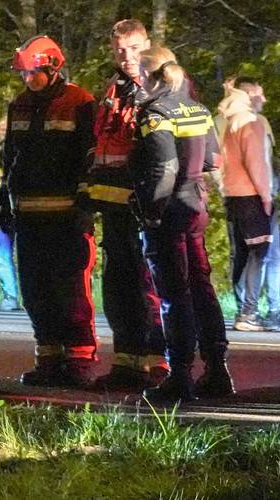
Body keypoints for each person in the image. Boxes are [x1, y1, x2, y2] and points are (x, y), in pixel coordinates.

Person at [131, 47, 231, 404]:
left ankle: (180, 376)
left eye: (141, 75)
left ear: (150, 75)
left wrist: (152, 212)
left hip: (169, 212)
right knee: (202, 287)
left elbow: (163, 169)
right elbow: (212, 161)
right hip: (196, 207)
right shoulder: (198, 108)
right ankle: (218, 371)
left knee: (174, 295)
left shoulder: (155, 112)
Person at [0, 36, 100, 388]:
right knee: (35, 290)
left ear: (52, 67)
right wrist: (4, 197)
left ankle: (80, 358)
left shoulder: (80, 102)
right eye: (24, 73)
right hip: (28, 215)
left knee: (70, 288)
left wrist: (85, 205)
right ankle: (49, 357)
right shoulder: (20, 105)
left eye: (33, 73)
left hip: (67, 215)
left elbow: (90, 156)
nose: (27, 79)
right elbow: (10, 156)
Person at [85, 19, 169, 390]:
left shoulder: (159, 86)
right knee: (119, 288)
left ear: (147, 45)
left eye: (134, 48)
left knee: (147, 285)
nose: (128, 56)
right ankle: (127, 363)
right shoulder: (114, 88)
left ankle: (158, 362)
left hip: (143, 205)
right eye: (120, 50)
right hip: (113, 204)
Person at [217, 85, 273, 332]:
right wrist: (266, 194)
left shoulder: (230, 122)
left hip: (233, 194)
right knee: (259, 253)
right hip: (250, 195)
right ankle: (248, 313)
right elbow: (256, 161)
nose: (264, 98)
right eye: (259, 93)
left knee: (241, 253)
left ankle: (244, 308)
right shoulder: (251, 122)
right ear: (249, 94)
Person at [0, 118, 21, 312]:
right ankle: (11, 297)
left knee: (6, 254)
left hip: (8, 207)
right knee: (5, 254)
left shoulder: (4, 151)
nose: (3, 131)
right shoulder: (19, 150)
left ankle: (12, 297)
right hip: (6, 206)